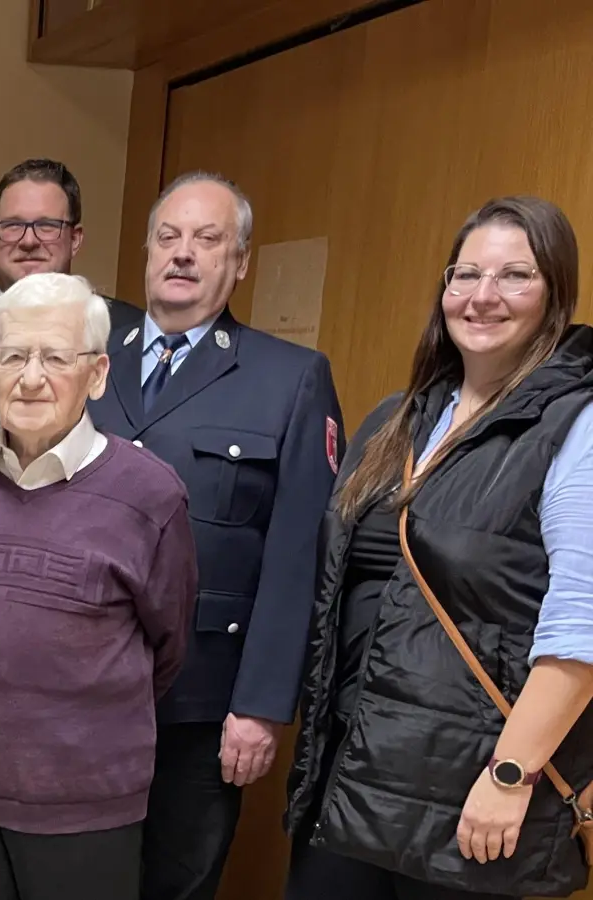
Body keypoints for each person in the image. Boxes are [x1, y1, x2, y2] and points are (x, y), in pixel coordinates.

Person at [283, 196, 593, 900]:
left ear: (555, 295)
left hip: (475, 801)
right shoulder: (398, 418)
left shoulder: (577, 424)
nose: (482, 296)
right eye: (465, 274)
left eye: (515, 275)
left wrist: (511, 776)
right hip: (353, 777)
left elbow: (582, 627)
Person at [86, 171, 345, 900]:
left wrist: (261, 706)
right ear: (145, 251)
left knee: (177, 883)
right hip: (77, 689)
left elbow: (300, 557)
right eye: (167, 237)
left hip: (201, 700)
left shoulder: (289, 378)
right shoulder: (84, 358)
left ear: (240, 261)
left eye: (207, 239)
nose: (182, 254)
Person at [0, 272, 198, 900]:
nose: (31, 376)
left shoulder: (150, 493)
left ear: (96, 374)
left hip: (86, 807)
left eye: (55, 357)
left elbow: (168, 645)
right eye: (14, 355)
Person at [0, 159, 141, 443]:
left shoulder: (130, 336)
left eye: (47, 226)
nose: (28, 240)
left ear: (75, 238)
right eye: (13, 225)